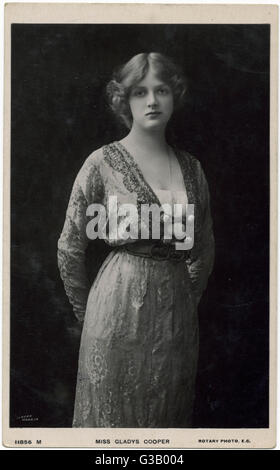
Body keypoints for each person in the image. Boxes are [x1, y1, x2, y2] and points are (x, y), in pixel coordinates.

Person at [57, 52, 215, 428]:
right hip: (115, 310)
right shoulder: (102, 162)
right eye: (140, 91)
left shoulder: (192, 168)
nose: (152, 101)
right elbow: (69, 246)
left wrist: (181, 298)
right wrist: (88, 312)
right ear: (124, 100)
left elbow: (203, 247)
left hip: (175, 323)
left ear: (175, 95)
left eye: (161, 89)